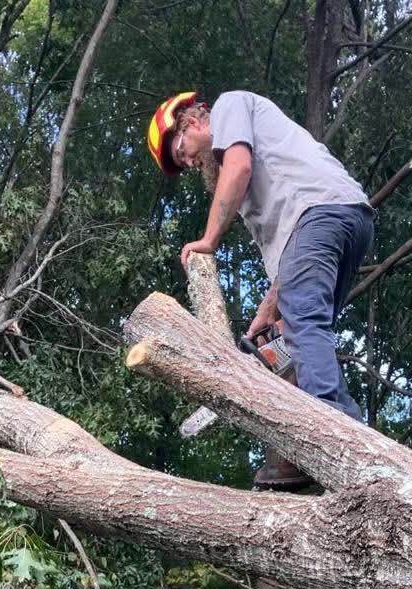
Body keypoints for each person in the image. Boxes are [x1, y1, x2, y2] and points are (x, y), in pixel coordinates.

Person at [147, 90, 374, 485]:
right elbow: (291, 262)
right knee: (297, 335)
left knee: (303, 328)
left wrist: (209, 240)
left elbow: (238, 168)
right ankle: (299, 460)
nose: (187, 161)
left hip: (320, 216)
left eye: (181, 149)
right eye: (181, 162)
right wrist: (266, 315)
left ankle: (335, 437)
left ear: (193, 122)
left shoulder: (230, 108)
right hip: (345, 219)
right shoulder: (265, 190)